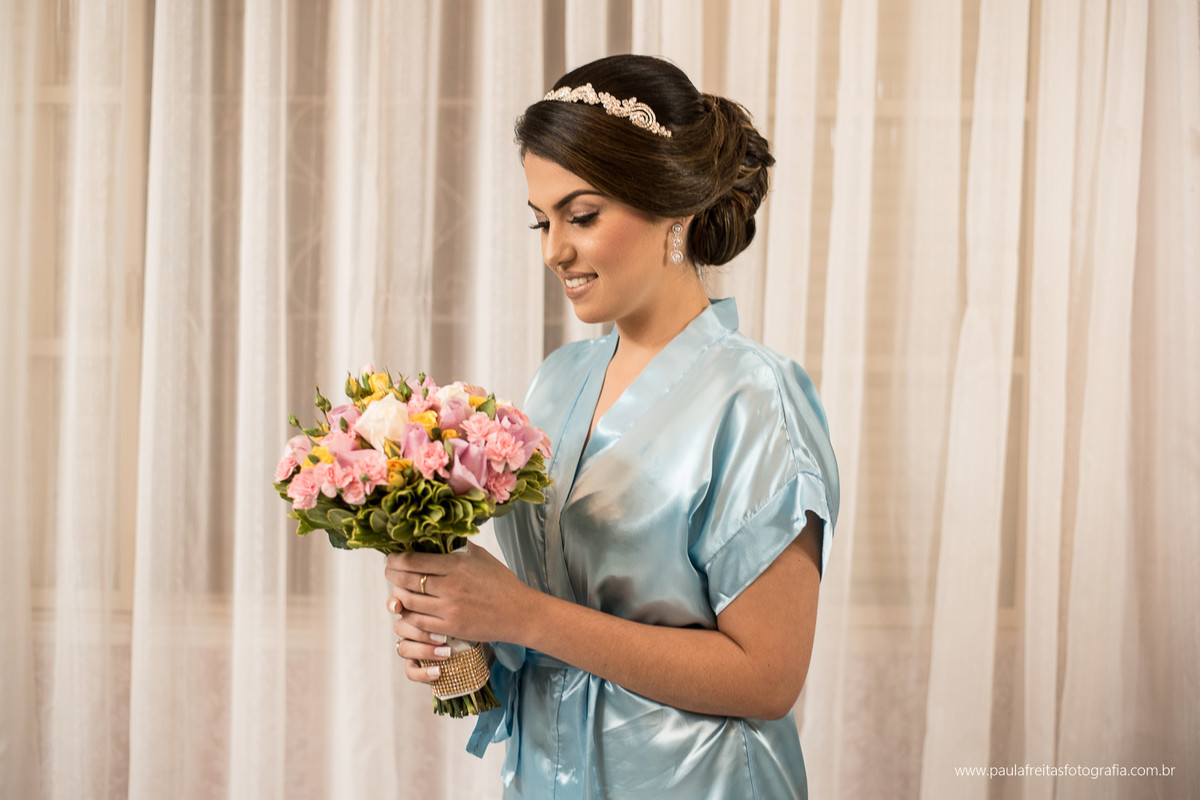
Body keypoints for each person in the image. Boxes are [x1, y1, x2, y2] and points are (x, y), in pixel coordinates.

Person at [385, 54, 839, 799]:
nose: (553, 249)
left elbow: (768, 678)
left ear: (672, 208)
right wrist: (466, 632)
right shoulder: (558, 382)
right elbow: (552, 636)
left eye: (582, 215)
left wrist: (523, 614)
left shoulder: (755, 397)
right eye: (542, 220)